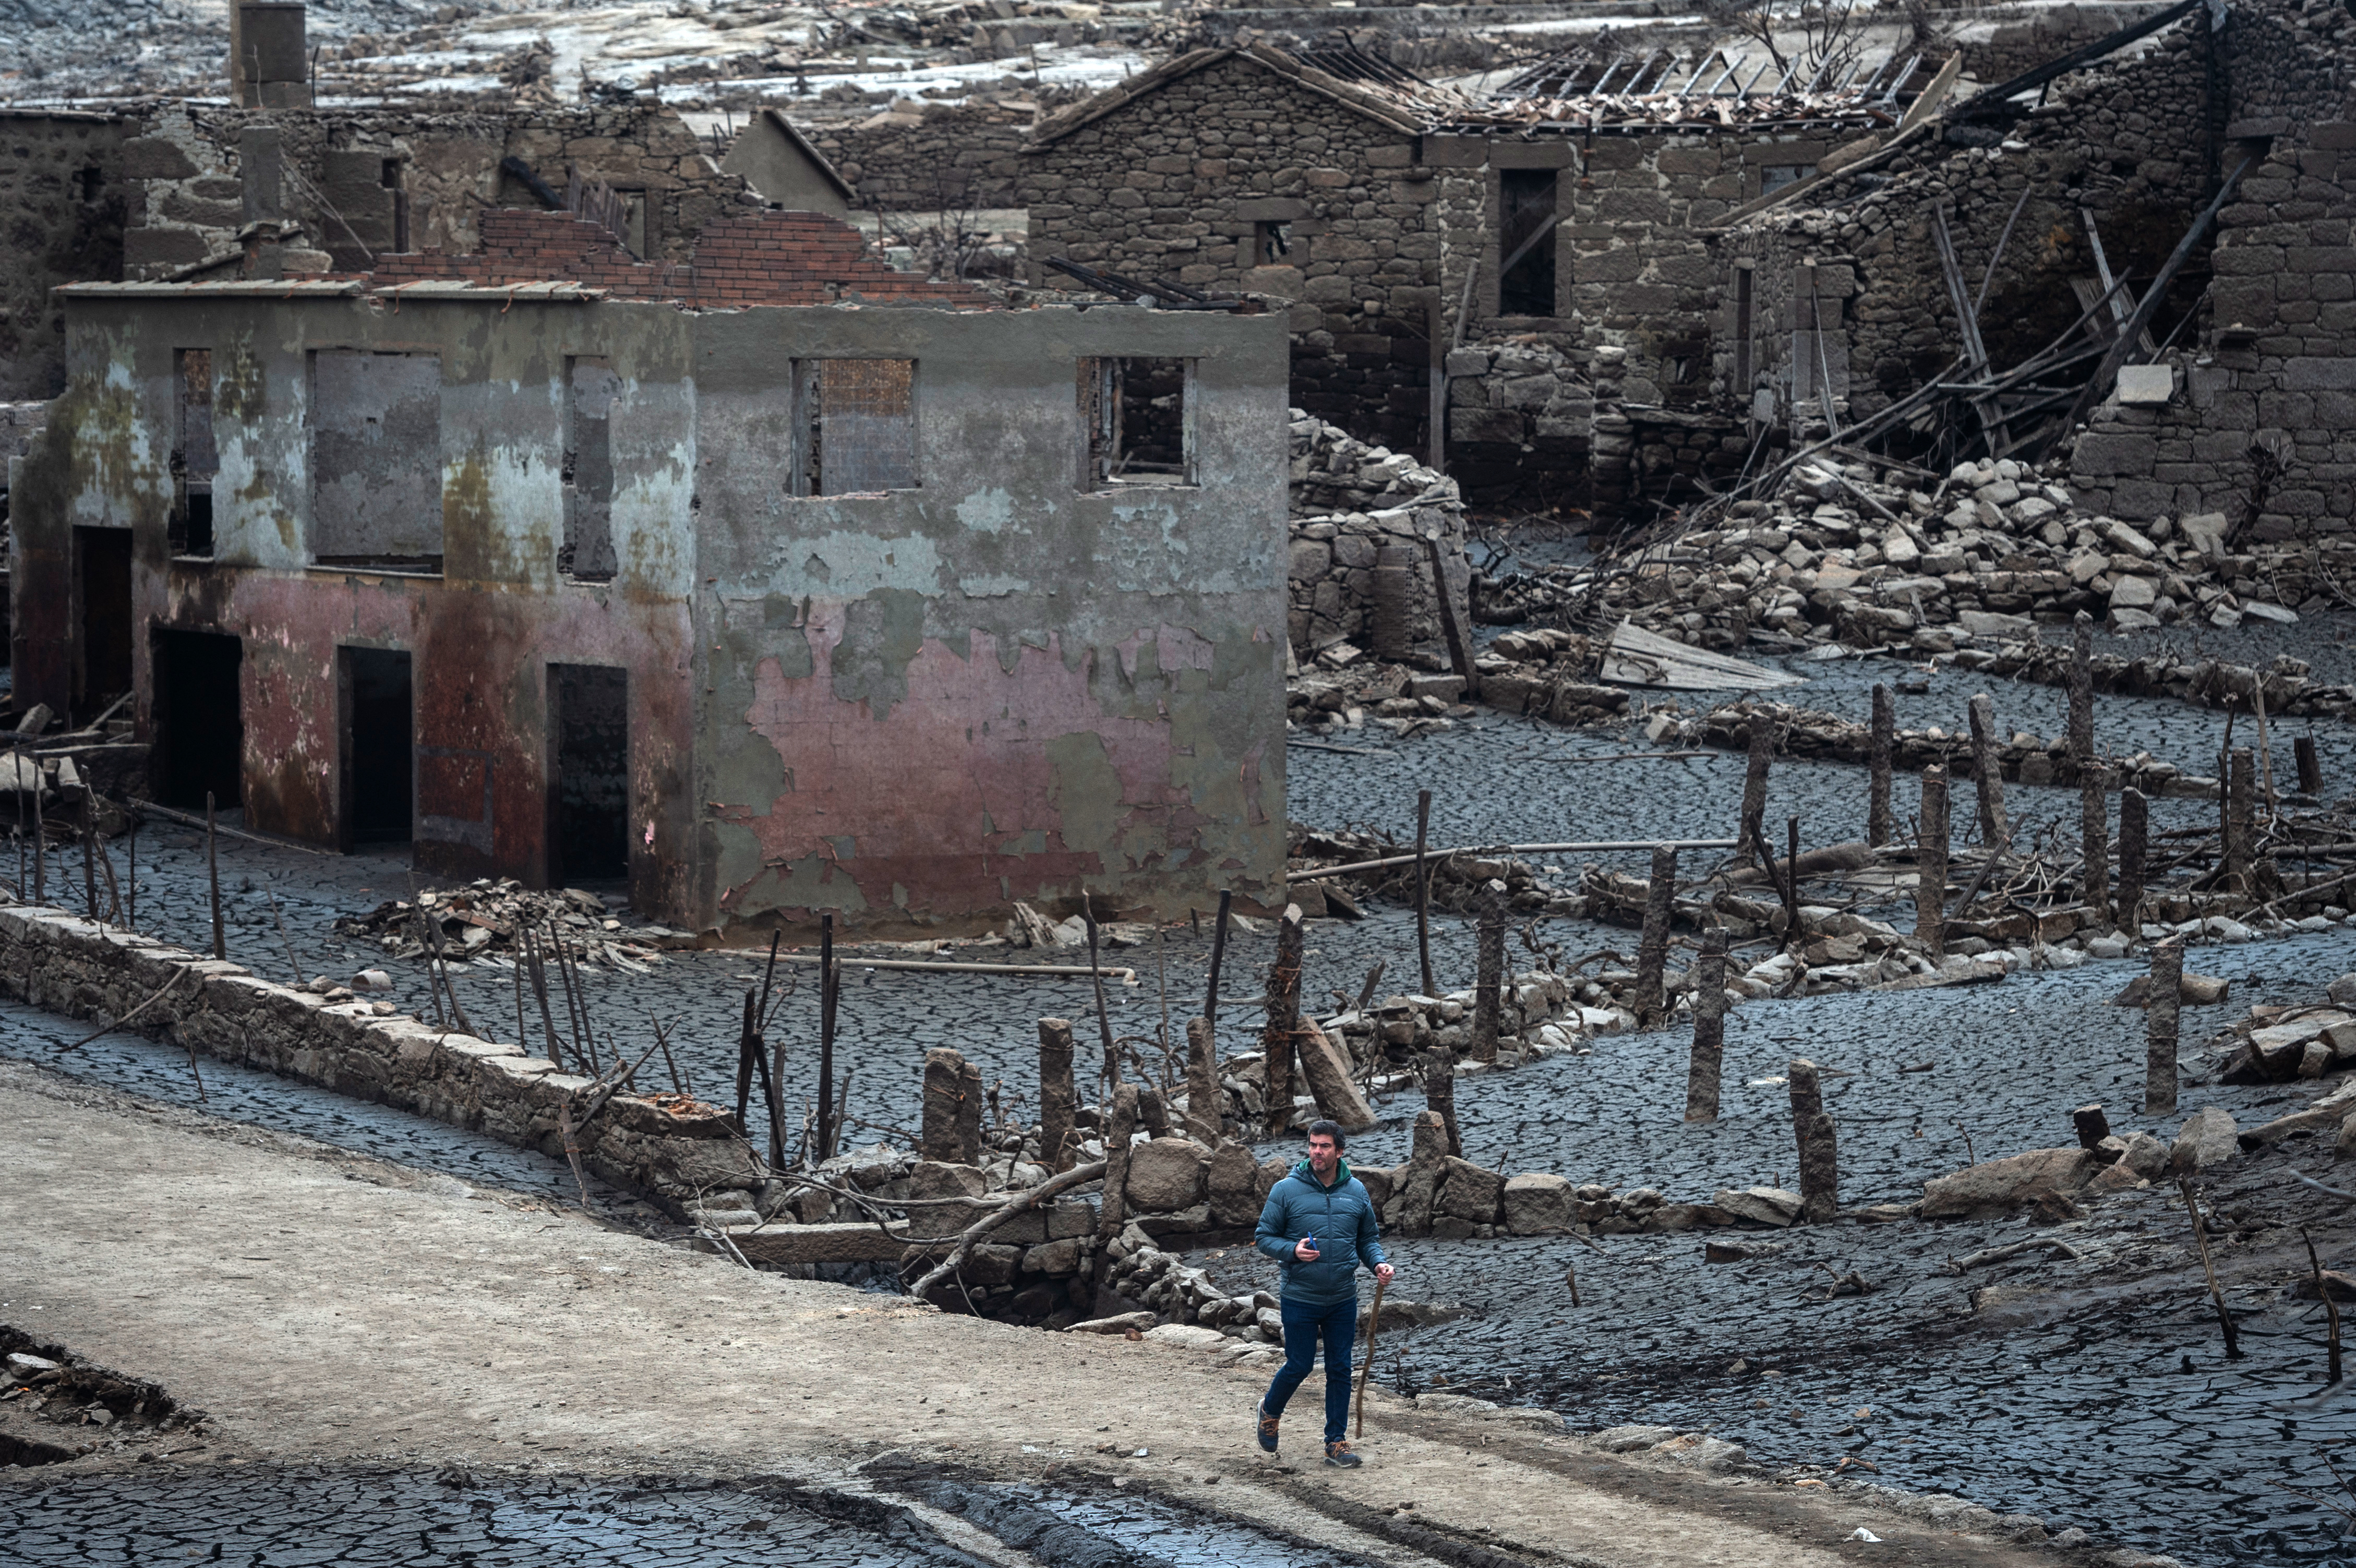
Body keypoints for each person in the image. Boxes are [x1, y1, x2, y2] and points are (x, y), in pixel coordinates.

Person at [1252, 1118, 1394, 1467]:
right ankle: (1269, 1411)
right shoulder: (1286, 1190)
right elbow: (1264, 1238)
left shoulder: (1357, 1191)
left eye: (1325, 1146)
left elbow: (1367, 1240)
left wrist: (1378, 1264)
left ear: (1340, 1151)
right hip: (1300, 1294)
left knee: (1340, 1369)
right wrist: (1292, 1251)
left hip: (1343, 1296)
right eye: (1313, 1145)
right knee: (1299, 1364)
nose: (1317, 1151)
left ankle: (1336, 1442)